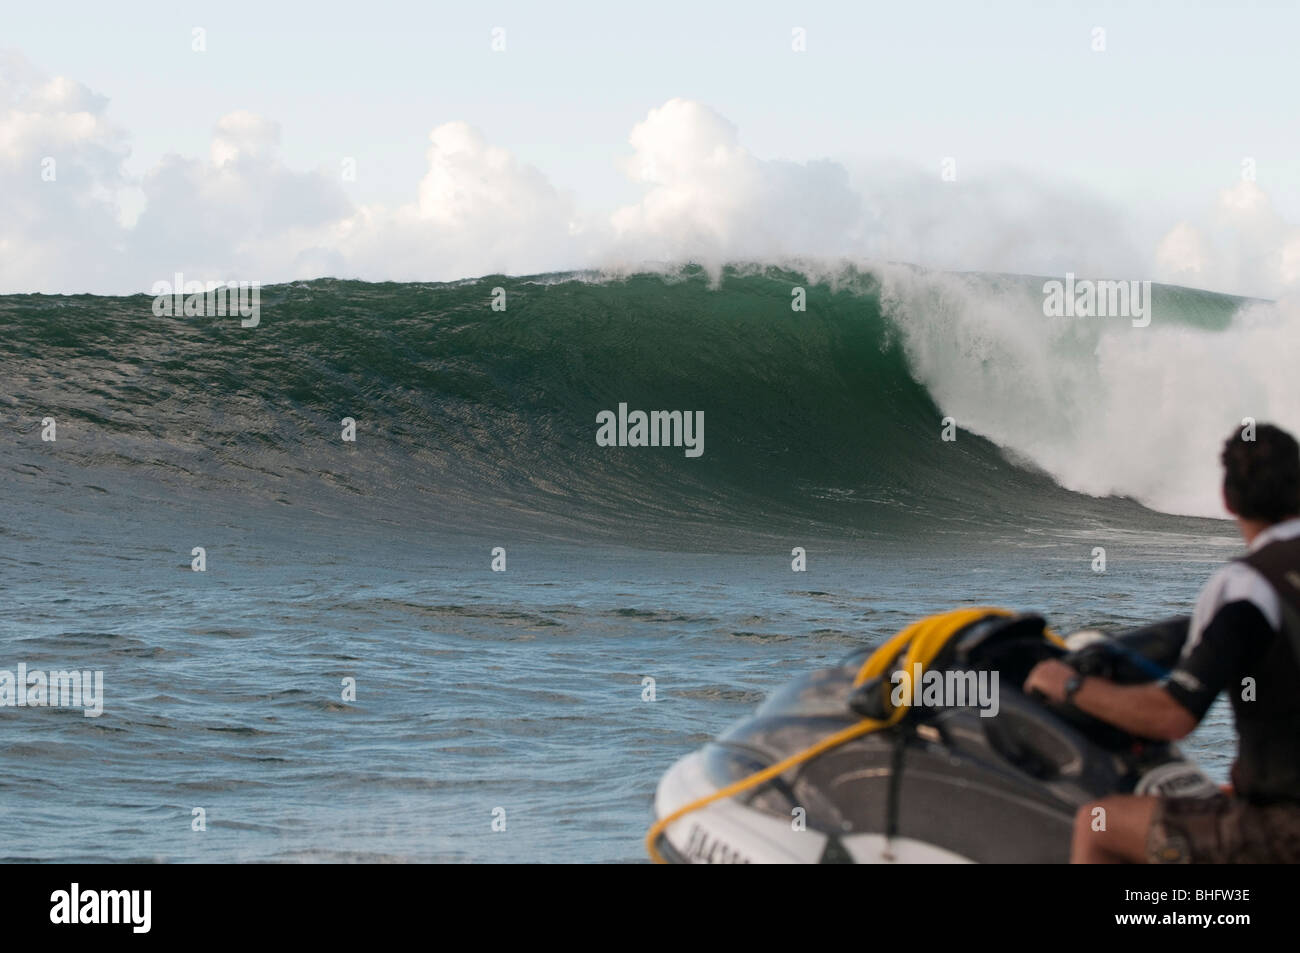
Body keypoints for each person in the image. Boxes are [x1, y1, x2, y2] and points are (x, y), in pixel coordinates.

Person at [1024, 422, 1300, 862]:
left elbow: (1173, 716)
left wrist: (1069, 685)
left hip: (1284, 832)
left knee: (1099, 823)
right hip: (1275, 805)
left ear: (1227, 499)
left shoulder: (1248, 586)